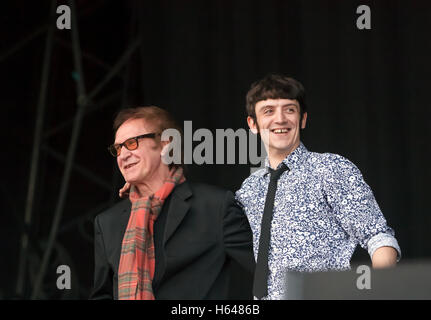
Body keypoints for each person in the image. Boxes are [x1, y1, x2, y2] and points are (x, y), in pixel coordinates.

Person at [235, 74, 401, 300]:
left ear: (302, 119)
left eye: (289, 109)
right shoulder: (249, 190)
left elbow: (379, 238)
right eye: (269, 111)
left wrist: (378, 291)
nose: (280, 119)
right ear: (252, 124)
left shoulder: (331, 169)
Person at [90, 106, 255, 300]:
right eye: (118, 148)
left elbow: (272, 271)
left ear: (166, 144)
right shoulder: (108, 223)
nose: (123, 155)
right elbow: (102, 295)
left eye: (132, 143)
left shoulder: (214, 207)